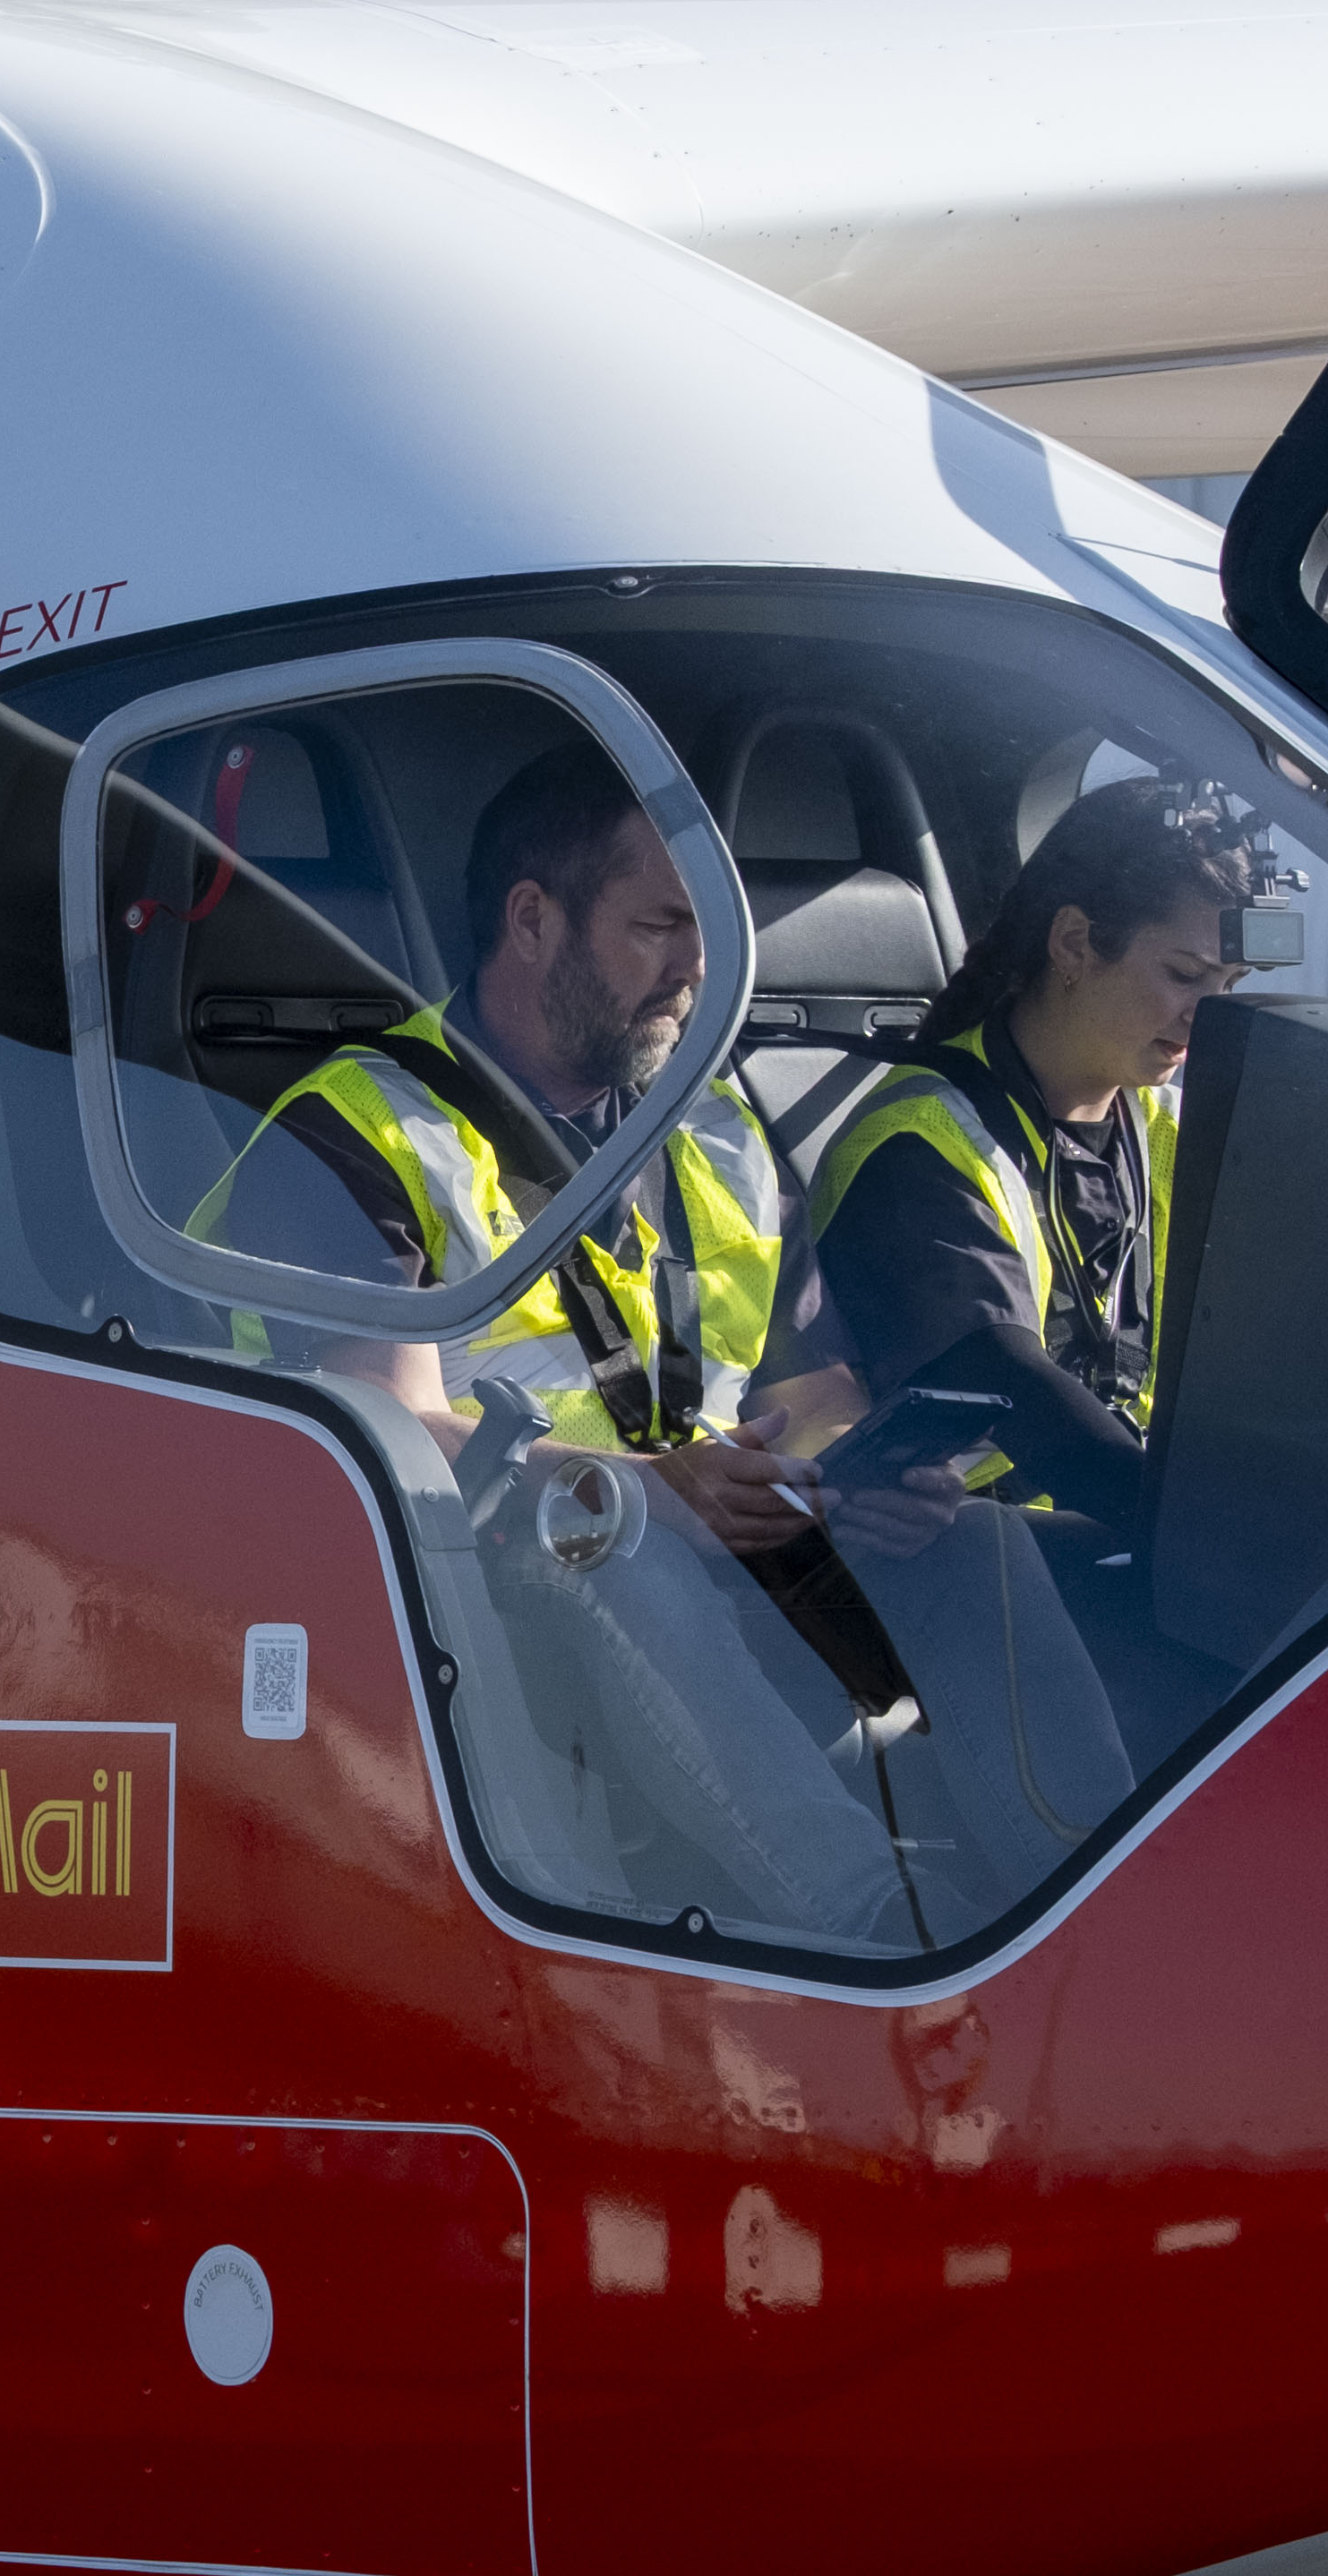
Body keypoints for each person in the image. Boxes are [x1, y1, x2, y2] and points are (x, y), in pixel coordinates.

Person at [195, 741, 1125, 1943]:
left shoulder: (714, 1127)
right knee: (607, 1533)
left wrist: (854, 1474)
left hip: (719, 1556)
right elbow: (382, 1438)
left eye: (710, 930)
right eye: (659, 925)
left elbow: (799, 1389)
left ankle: (1097, 1908)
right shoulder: (361, 1130)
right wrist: (655, 1491)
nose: (699, 968)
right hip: (467, 1594)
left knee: (976, 1546)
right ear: (534, 921)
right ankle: (884, 1941)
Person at [801, 773, 1267, 1742]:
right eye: (1182, 976)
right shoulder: (921, 1145)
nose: (1203, 1018)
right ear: (1072, 945)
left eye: (1224, 988)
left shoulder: (1164, 1122)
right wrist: (1240, 1558)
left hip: (1120, 1550)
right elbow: (1009, 1388)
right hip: (969, 1578)